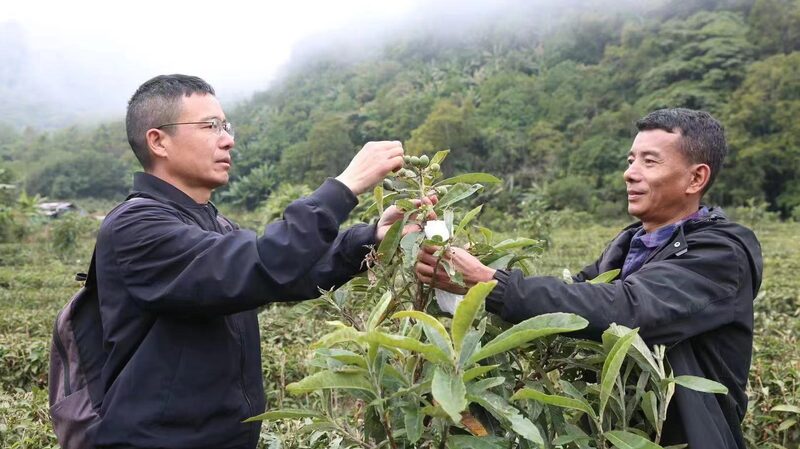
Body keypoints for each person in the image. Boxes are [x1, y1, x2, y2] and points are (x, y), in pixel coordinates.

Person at [90, 74, 415, 449]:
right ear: (158, 141)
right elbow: (259, 263)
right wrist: (344, 187)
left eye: (226, 126)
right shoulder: (136, 226)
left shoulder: (213, 223)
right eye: (210, 126)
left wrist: (371, 238)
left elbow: (290, 274)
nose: (228, 139)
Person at [415, 108, 762, 448]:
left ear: (696, 178)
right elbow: (575, 296)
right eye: (631, 160)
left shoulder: (721, 254)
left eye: (650, 162)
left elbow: (629, 309)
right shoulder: (628, 245)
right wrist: (468, 266)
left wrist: (490, 283)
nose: (630, 173)